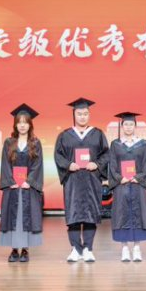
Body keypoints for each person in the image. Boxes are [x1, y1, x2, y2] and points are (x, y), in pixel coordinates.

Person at [53, 97, 109, 262]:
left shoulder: (97, 134)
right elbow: (58, 155)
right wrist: (68, 165)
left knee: (91, 213)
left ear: (89, 115)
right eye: (79, 114)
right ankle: (75, 249)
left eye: (85, 114)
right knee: (74, 214)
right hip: (73, 180)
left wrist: (96, 164)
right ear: (74, 114)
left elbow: (106, 154)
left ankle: (88, 249)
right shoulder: (65, 135)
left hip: (92, 180)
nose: (82, 117)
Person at [0, 104, 44, 263]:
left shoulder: (35, 143)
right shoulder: (9, 142)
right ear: (15, 125)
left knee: (26, 216)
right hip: (12, 188)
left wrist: (29, 181)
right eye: (19, 122)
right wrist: (10, 181)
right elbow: (5, 164)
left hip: (28, 188)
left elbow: (38, 165)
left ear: (30, 124)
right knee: (13, 216)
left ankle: (25, 249)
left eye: (25, 122)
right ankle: (13, 249)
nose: (22, 125)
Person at [107, 111, 146, 262]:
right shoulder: (115, 144)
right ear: (122, 126)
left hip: (137, 184)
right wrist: (120, 178)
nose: (128, 127)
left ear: (135, 126)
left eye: (131, 124)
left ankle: (137, 248)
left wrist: (137, 177)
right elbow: (112, 165)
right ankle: (125, 248)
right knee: (122, 214)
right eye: (125, 124)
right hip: (122, 185)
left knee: (138, 214)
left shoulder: (143, 144)